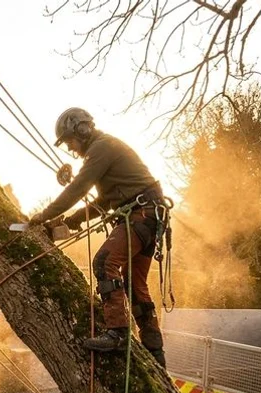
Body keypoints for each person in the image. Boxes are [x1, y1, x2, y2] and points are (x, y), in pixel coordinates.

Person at [30, 107, 167, 366]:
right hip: (149, 217)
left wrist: (43, 215)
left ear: (82, 129)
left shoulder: (101, 148)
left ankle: (118, 333)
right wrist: (71, 221)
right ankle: (155, 352)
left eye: (70, 140)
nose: (71, 148)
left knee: (104, 263)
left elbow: (78, 187)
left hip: (142, 215)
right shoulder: (105, 150)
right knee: (134, 285)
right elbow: (102, 203)